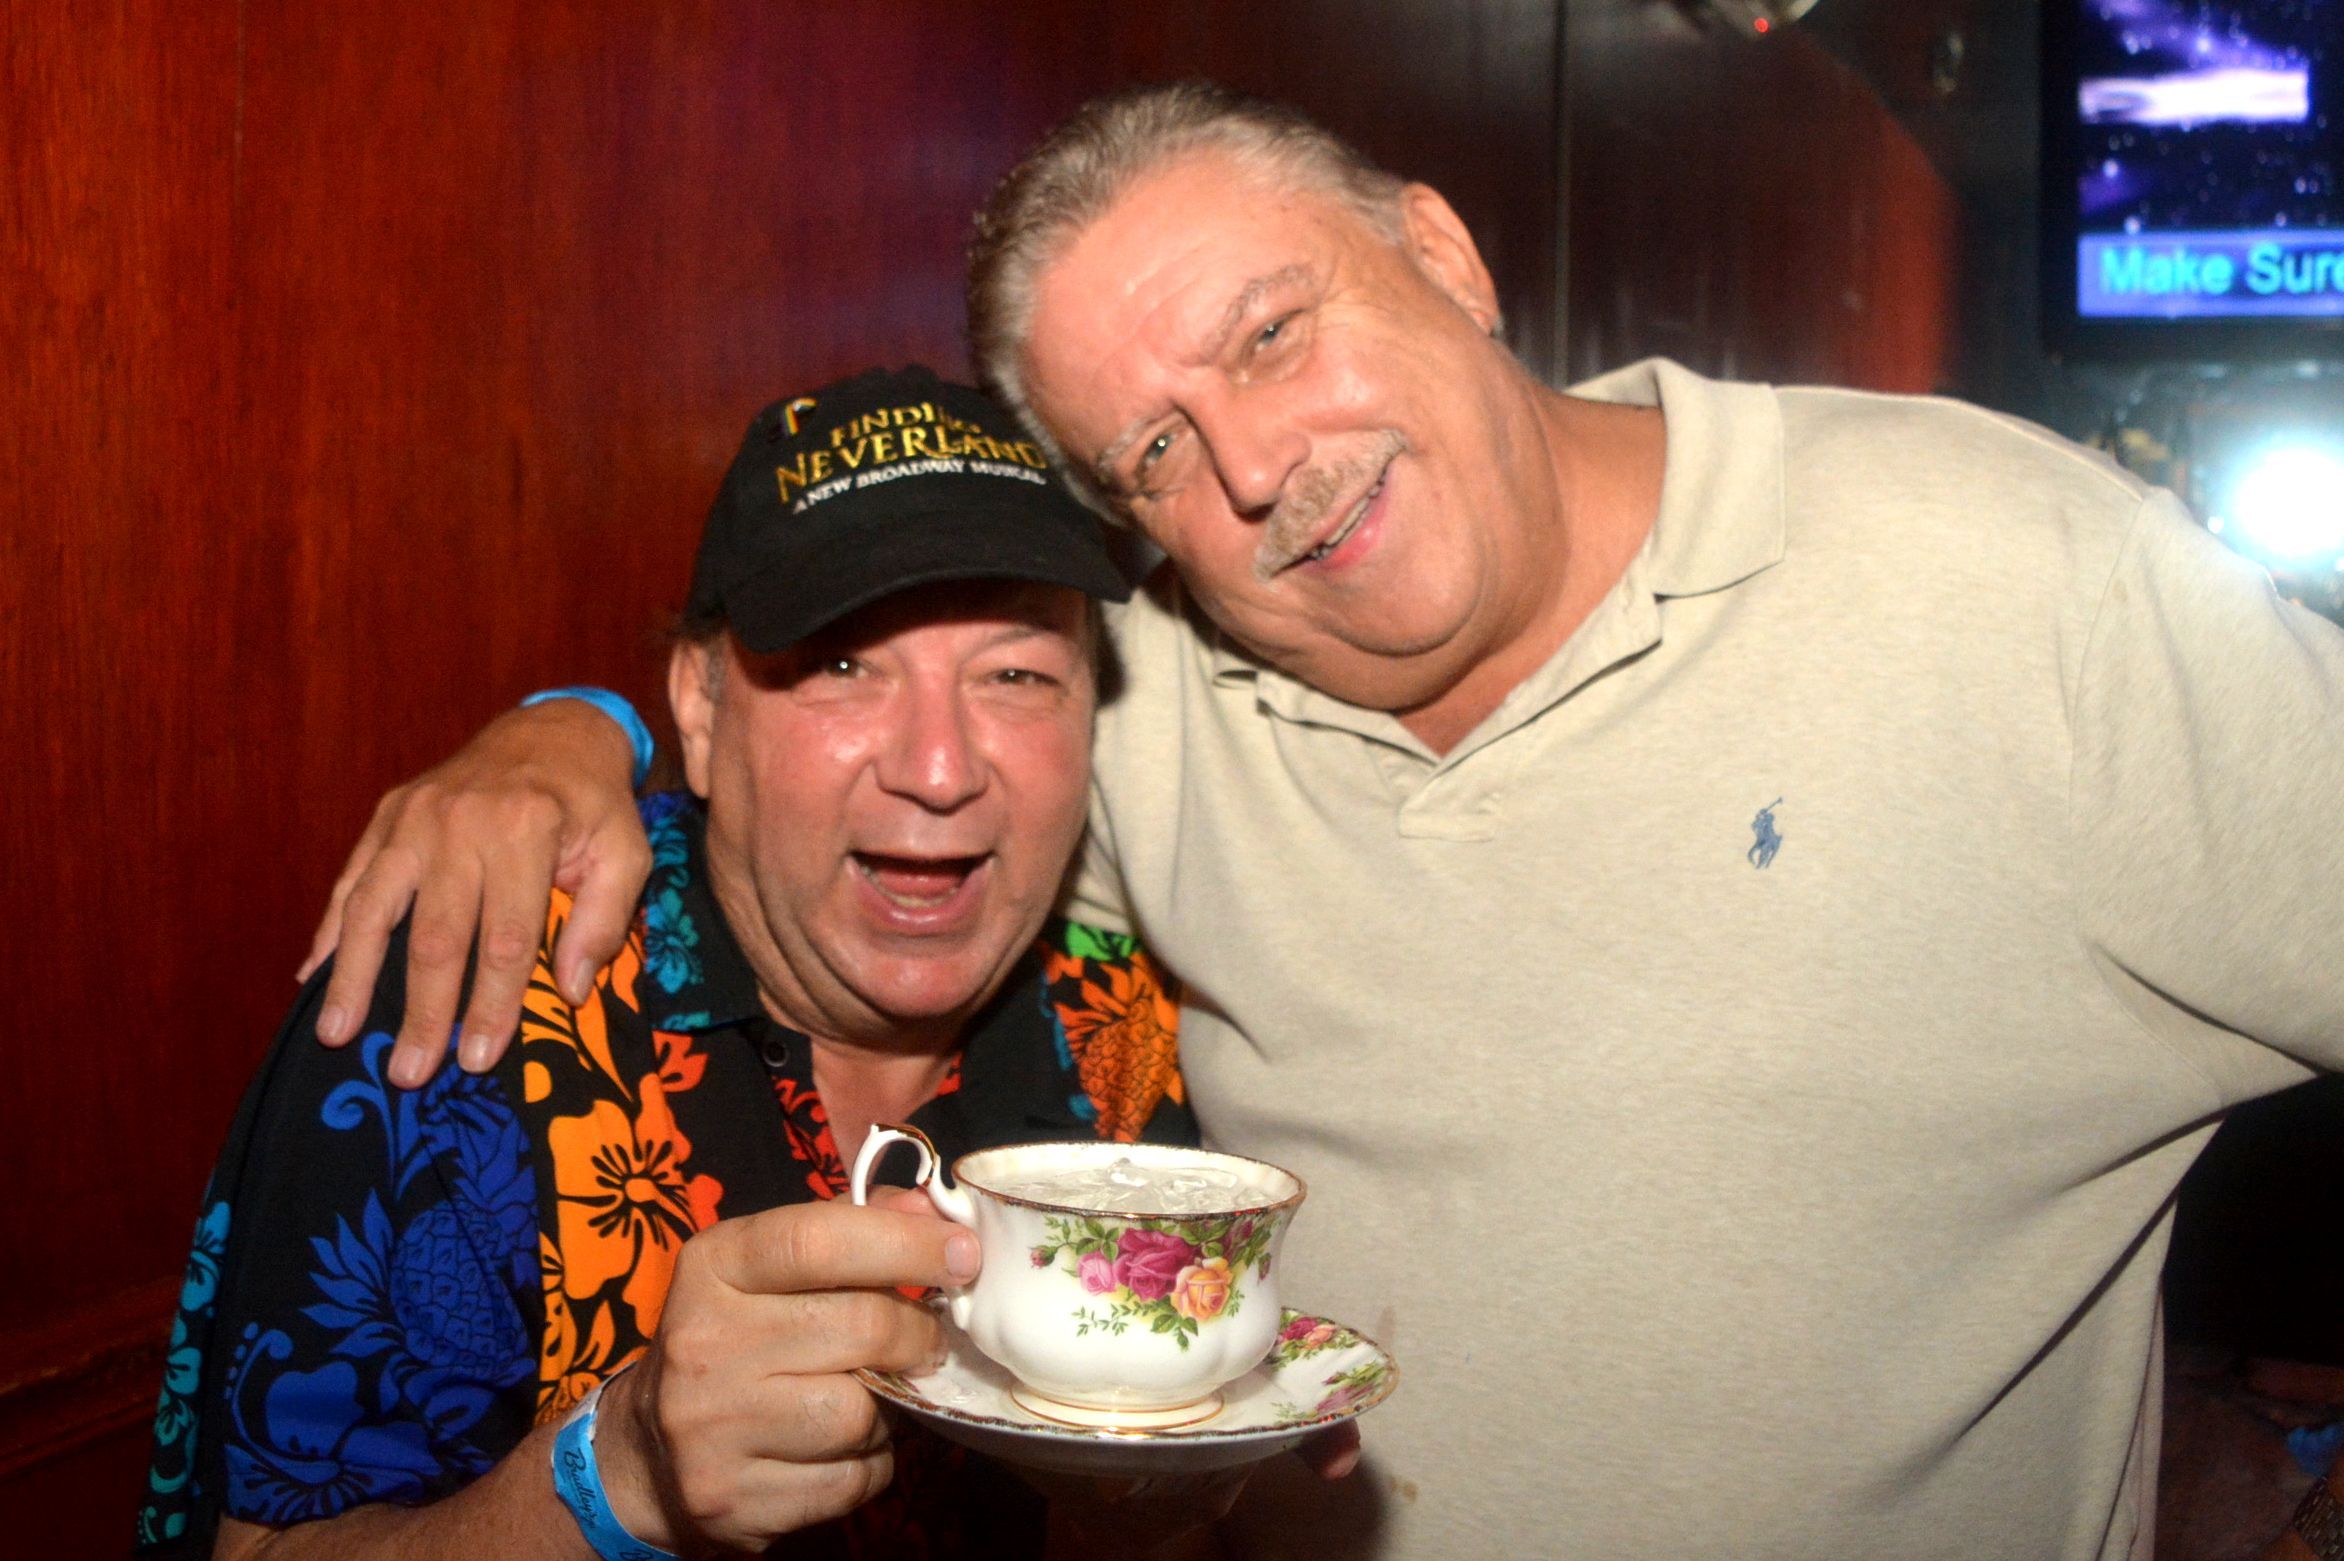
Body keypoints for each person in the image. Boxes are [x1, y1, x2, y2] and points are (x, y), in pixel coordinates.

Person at [292, 84, 2344, 1559]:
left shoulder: (2009, 581)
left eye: (1271, 332)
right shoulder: (1138, 701)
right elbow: (871, 761)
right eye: (1154, 454)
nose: (1259, 466)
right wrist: (565, 740)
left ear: (1441, 255)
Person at [136, 366, 1210, 1559]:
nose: (940, 768)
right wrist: (620, 1478)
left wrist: (1182, 1485)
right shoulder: (479, 995)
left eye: (1017, 675)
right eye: (843, 665)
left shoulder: (1129, 1021)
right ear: (698, 706)